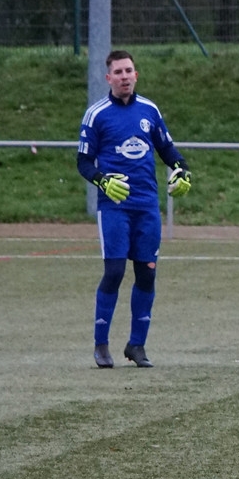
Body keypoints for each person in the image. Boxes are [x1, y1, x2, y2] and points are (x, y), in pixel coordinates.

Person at [77, 49, 192, 369]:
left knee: (147, 274)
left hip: (147, 206)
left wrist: (182, 170)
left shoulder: (149, 110)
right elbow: (83, 162)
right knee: (114, 272)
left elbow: (167, 149)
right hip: (114, 207)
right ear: (108, 78)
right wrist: (101, 181)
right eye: (119, 72)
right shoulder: (96, 115)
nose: (125, 76)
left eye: (129, 71)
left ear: (136, 75)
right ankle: (101, 345)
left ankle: (137, 345)